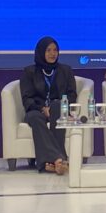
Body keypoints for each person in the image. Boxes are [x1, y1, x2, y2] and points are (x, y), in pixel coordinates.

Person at [19, 37, 76, 175]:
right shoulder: (29, 72)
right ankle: (60, 158)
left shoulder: (65, 70)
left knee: (57, 106)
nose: (52, 53)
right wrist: (42, 109)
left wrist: (56, 106)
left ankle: (50, 163)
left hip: (58, 110)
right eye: (48, 50)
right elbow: (27, 98)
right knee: (35, 118)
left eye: (55, 50)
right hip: (36, 110)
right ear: (41, 52)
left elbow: (72, 95)